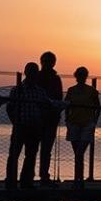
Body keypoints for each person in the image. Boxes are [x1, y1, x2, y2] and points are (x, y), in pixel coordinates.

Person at [5, 62, 48, 189]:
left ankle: (26, 182)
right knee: (14, 154)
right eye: (31, 72)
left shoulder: (40, 91)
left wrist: (41, 121)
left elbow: (45, 107)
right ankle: (11, 181)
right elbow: (10, 108)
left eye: (35, 72)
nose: (33, 75)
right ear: (26, 73)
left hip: (34, 127)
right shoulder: (17, 90)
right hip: (20, 126)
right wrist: (15, 122)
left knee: (30, 155)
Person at [64, 66, 100, 187]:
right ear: (76, 76)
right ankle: (78, 179)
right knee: (78, 154)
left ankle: (78, 180)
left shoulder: (92, 91)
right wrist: (67, 120)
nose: (81, 77)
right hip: (74, 123)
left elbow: (98, 107)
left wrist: (94, 121)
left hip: (87, 124)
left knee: (79, 152)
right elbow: (66, 105)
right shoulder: (71, 90)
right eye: (79, 75)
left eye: (83, 75)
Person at [37, 51, 63, 186]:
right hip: (36, 118)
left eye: (49, 61)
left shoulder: (55, 79)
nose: (48, 64)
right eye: (46, 61)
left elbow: (59, 98)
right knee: (34, 149)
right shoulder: (37, 77)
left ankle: (43, 176)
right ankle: (32, 176)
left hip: (50, 118)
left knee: (46, 149)